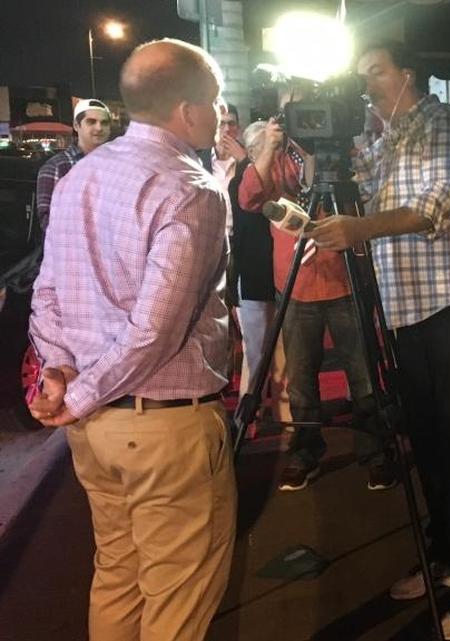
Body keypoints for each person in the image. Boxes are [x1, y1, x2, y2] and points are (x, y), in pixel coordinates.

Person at [26, 39, 235, 640]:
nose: (220, 115)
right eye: (216, 102)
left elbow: (47, 291)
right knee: (177, 597)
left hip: (94, 430)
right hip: (163, 424)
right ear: (189, 110)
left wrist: (60, 374)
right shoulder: (191, 189)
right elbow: (156, 330)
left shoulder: (80, 176)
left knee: (117, 571)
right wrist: (77, 393)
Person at [309, 41, 450, 639]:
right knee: (427, 443)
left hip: (447, 303)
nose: (367, 84)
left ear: (408, 74)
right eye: (361, 75)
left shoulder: (445, 123)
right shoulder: (384, 138)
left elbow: (434, 207)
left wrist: (361, 227)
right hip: (403, 309)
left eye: (377, 72)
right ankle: (445, 555)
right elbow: (357, 197)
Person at [236, 112, 396, 493]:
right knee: (301, 380)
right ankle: (305, 452)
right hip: (295, 285)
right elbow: (249, 198)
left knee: (364, 375)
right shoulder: (278, 159)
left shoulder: (344, 155)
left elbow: (372, 196)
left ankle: (375, 450)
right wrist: (270, 144)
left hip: (345, 281)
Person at [228, 121, 284, 417]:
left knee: (285, 352)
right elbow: (250, 206)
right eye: (266, 146)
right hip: (253, 275)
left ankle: (285, 415)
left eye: (276, 145)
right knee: (257, 351)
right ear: (251, 152)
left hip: (283, 272)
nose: (274, 152)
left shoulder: (286, 179)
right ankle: (250, 412)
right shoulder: (240, 184)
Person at [34, 98, 111, 230]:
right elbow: (48, 223)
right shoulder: (56, 167)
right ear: (76, 125)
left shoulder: (117, 165)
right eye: (91, 122)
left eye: (104, 123)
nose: (99, 128)